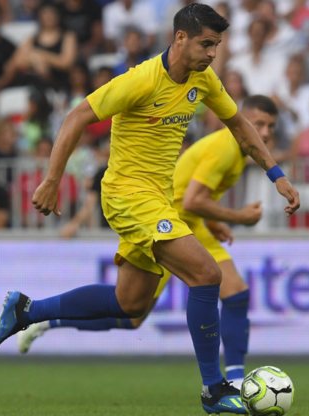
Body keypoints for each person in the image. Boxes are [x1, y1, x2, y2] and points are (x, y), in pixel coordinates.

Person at [0, 5, 299, 415]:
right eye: (206, 44)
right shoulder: (141, 80)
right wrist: (52, 179)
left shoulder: (203, 79)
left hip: (158, 200)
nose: (212, 53)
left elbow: (239, 124)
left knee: (130, 305)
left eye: (217, 45)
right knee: (207, 275)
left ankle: (26, 310)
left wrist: (276, 174)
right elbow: (77, 116)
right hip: (128, 195)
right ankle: (214, 389)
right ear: (180, 38)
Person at [20, 97, 278, 390]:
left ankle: (236, 381)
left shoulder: (237, 150)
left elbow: (192, 197)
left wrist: (213, 219)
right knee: (130, 313)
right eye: (258, 124)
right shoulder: (225, 148)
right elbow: (192, 200)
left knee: (236, 295)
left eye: (271, 126)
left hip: (191, 223)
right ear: (243, 120)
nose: (265, 133)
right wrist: (239, 217)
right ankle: (46, 320)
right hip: (166, 225)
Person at [0, 4, 78, 91]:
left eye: (52, 13)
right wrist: (35, 61)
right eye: (45, 13)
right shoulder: (33, 39)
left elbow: (66, 63)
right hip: (34, 84)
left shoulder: (67, 36)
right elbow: (15, 62)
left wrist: (40, 56)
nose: (48, 17)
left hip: (60, 83)